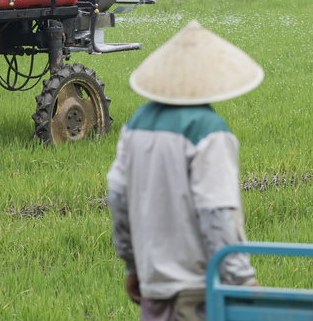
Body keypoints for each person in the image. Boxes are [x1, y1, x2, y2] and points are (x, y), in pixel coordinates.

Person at [107, 20, 262, 321]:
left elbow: (117, 198)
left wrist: (133, 266)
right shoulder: (209, 131)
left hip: (153, 289)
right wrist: (242, 279)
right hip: (198, 292)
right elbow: (216, 212)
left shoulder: (136, 125)